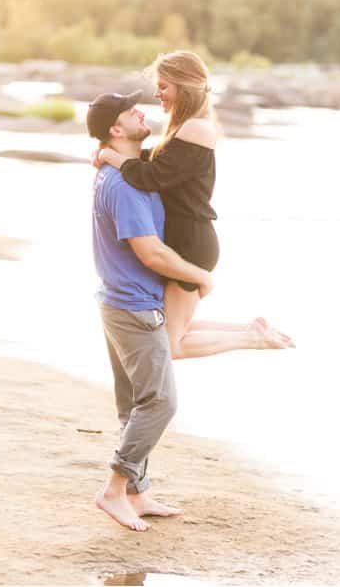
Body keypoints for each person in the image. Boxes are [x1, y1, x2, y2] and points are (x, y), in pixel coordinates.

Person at [94, 50, 295, 359]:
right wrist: (115, 155)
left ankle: (253, 339)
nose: (157, 93)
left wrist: (111, 156)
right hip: (187, 240)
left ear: (183, 85)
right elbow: (155, 164)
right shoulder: (184, 128)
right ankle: (250, 329)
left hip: (191, 243)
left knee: (172, 345)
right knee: (176, 325)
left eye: (163, 86)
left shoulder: (197, 129)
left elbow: (151, 176)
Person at [87, 91, 211, 531]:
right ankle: (114, 491)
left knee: (135, 405)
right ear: (116, 130)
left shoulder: (125, 175)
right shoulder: (123, 186)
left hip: (120, 302)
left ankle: (137, 494)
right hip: (134, 307)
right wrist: (200, 275)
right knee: (159, 403)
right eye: (132, 112)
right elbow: (152, 254)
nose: (144, 111)